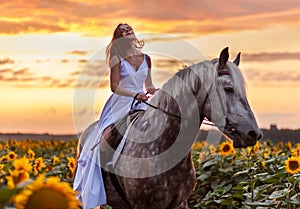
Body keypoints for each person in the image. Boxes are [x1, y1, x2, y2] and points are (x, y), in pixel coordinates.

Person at [73, 23, 158, 209]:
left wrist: (157, 91)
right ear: (118, 37)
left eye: (129, 28)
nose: (128, 31)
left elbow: (148, 85)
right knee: (107, 137)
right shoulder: (116, 58)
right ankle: (105, 176)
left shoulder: (147, 59)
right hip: (121, 102)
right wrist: (134, 94)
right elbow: (114, 86)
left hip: (142, 101)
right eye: (123, 31)